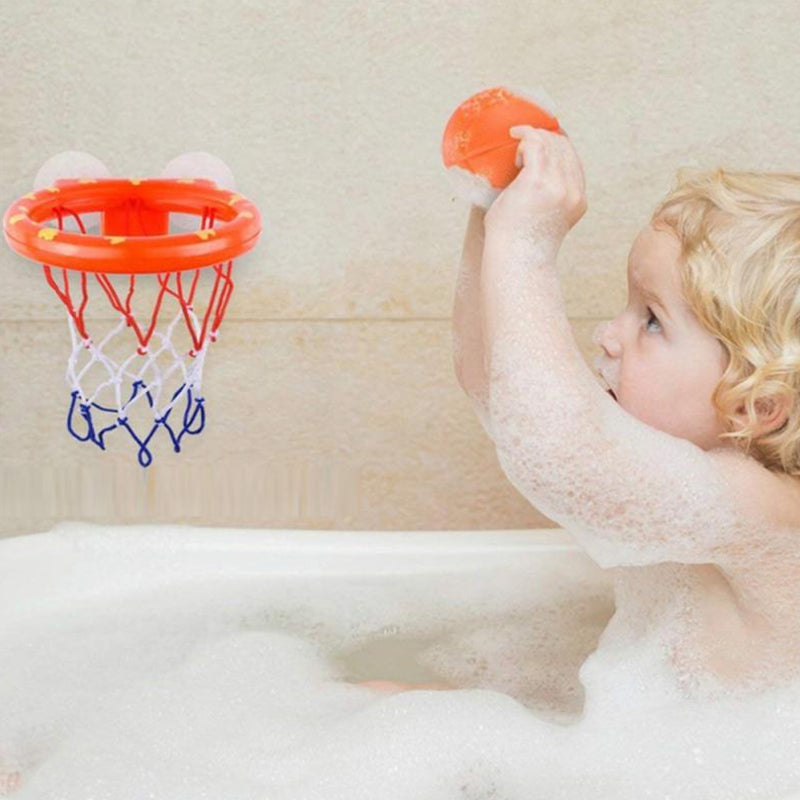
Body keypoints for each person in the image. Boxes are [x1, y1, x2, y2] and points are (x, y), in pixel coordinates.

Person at [364, 127, 800, 702]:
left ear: (756, 403)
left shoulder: (763, 504)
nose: (608, 335)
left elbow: (561, 454)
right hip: (643, 745)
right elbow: (496, 385)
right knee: (374, 701)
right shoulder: (673, 465)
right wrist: (494, 216)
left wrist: (526, 247)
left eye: (651, 320)